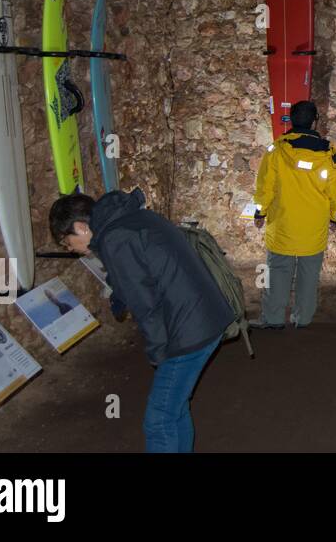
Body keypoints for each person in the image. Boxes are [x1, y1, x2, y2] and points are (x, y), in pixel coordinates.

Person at [49, 189, 232, 453]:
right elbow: (144, 273)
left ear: (80, 227)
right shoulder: (130, 219)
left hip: (189, 330)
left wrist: (160, 355)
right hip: (204, 317)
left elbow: (148, 307)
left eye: (67, 243)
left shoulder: (115, 238)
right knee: (175, 409)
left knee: (159, 420)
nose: (72, 251)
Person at [253, 100, 336, 330]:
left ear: (292, 121)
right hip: (313, 229)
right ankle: (303, 319)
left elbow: (265, 187)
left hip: (283, 225)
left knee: (278, 273)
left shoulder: (277, 150)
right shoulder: (328, 154)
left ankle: (274, 319)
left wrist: (260, 212)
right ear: (315, 121)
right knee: (309, 275)